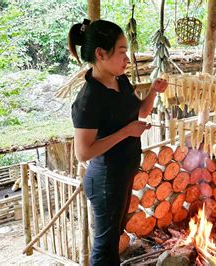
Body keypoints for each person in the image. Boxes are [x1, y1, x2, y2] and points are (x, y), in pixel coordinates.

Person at [68, 19, 167, 265]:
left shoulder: (120, 80)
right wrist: (127, 132)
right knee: (104, 247)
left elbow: (141, 112)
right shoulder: (89, 99)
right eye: (122, 51)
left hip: (122, 173)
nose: (127, 58)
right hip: (104, 180)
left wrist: (153, 91)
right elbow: (83, 153)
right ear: (101, 54)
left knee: (114, 237)